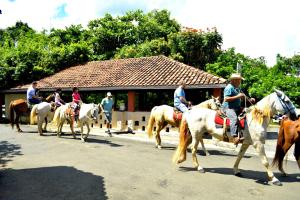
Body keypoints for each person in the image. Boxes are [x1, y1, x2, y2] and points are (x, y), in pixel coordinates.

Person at [222, 73, 255, 145]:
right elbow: (226, 99)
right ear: (234, 80)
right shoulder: (229, 88)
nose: (240, 82)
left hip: (237, 107)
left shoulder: (237, 88)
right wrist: (238, 96)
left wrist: (249, 99)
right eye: (239, 80)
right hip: (228, 108)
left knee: (249, 112)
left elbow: (241, 97)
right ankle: (234, 137)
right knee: (234, 118)